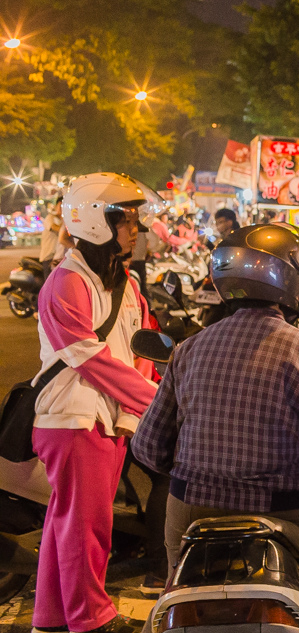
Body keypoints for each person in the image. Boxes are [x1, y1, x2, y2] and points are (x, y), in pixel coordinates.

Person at [131, 223, 299, 633]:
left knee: (176, 590)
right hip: (288, 506)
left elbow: (149, 447)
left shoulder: (189, 349)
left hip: (192, 508)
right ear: (289, 279)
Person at [32, 172, 161, 633]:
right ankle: (91, 620)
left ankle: (50, 619)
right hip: (74, 418)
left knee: (65, 526)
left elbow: (143, 347)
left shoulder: (123, 282)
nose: (136, 229)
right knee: (85, 529)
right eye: (126, 219)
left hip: (107, 420)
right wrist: (159, 401)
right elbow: (92, 359)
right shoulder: (66, 283)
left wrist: (152, 392)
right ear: (95, 222)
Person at [39, 197, 64, 279]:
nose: (62, 208)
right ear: (56, 206)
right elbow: (54, 227)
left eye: (64, 205)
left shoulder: (64, 221)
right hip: (49, 257)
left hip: (60, 257)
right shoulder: (50, 218)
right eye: (60, 205)